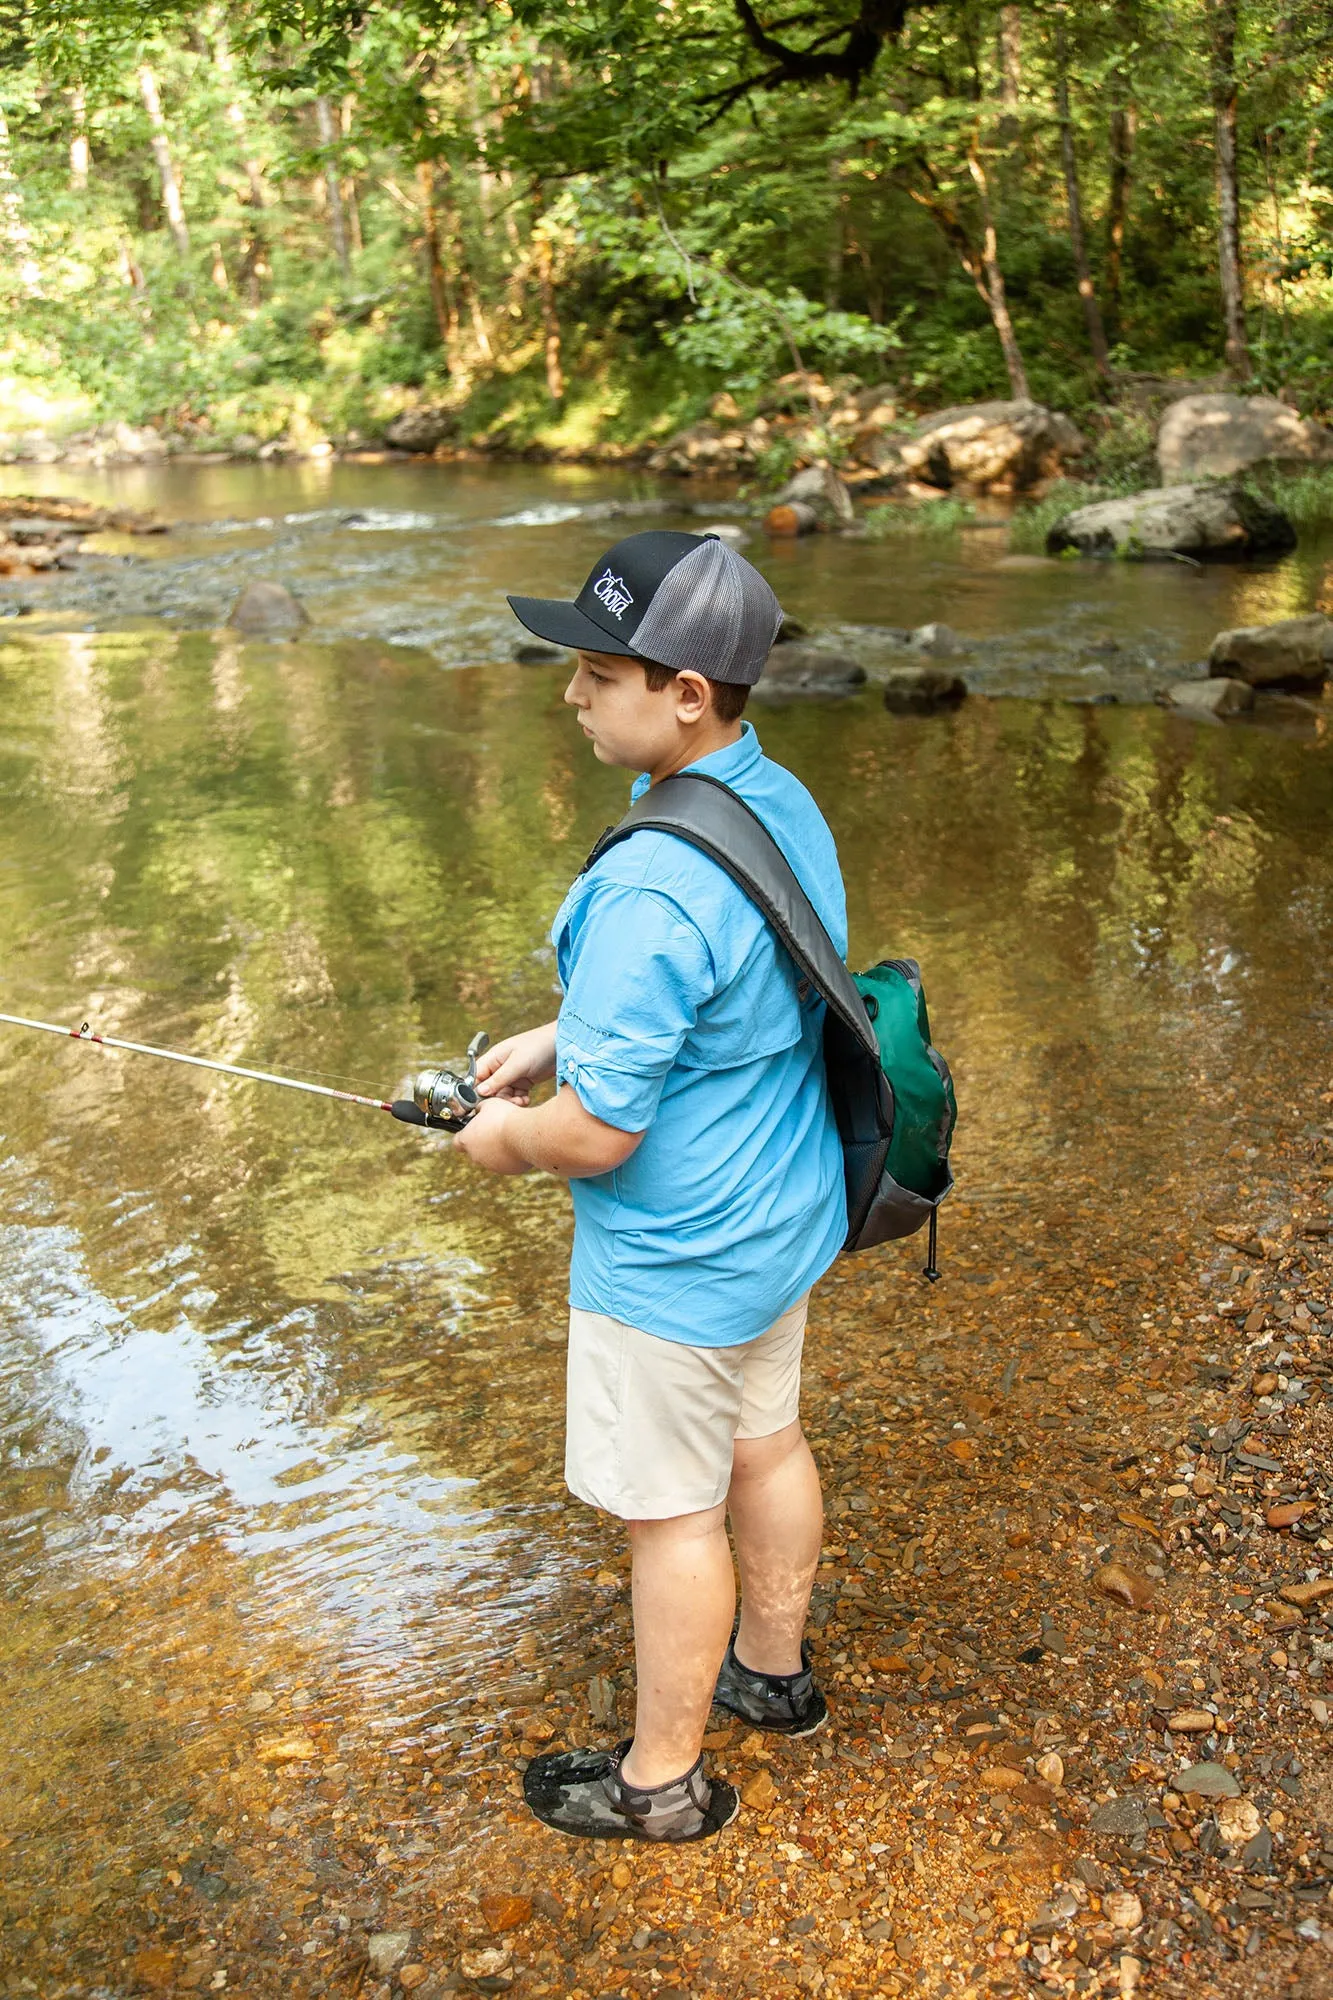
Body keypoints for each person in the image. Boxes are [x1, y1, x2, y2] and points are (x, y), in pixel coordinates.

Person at [454, 530, 849, 1843]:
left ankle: (663, 1781)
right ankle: (774, 1679)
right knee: (766, 1442)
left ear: (686, 691)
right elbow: (747, 971)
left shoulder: (647, 884)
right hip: (781, 1217)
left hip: (675, 1262)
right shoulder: (770, 795)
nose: (569, 690)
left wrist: (497, 1140)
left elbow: (600, 1136)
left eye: (597, 670)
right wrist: (565, 1033)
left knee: (671, 1515)